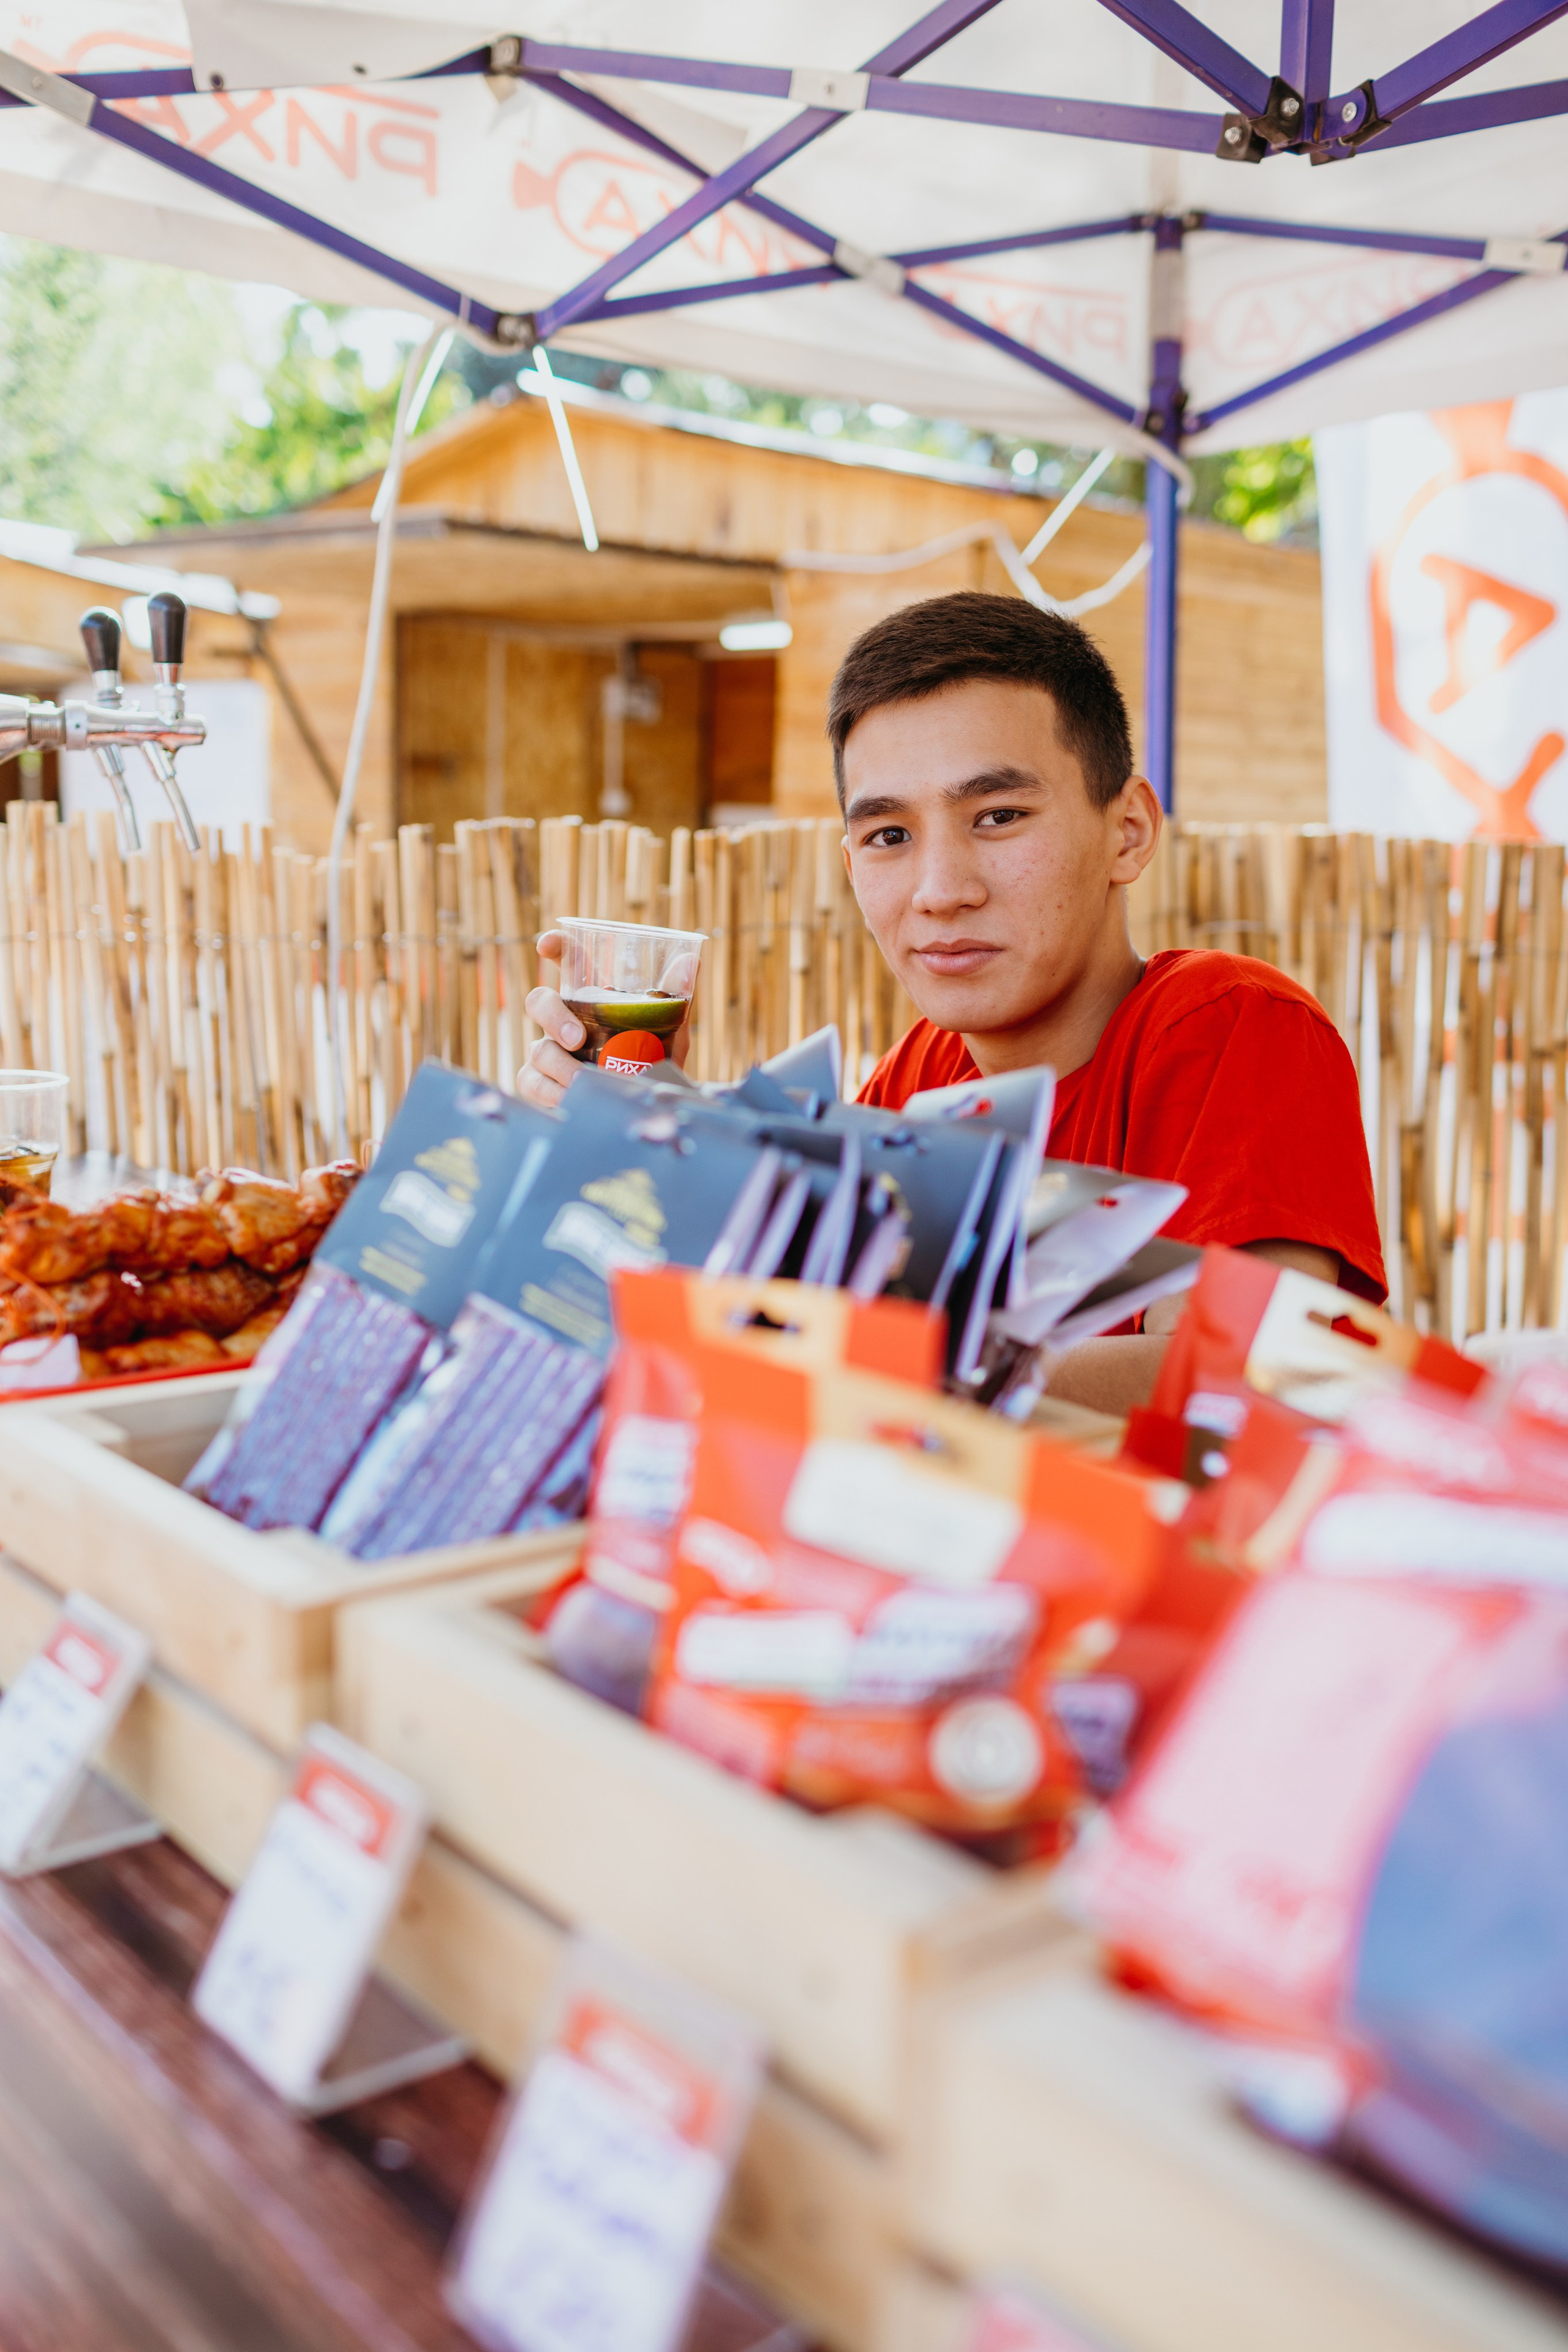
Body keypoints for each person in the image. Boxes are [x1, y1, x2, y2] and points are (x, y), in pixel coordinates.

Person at [521, 590, 1384, 1413]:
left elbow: (1244, 1379)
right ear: (851, 865)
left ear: (1127, 832)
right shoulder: (918, 1082)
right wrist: (650, 1140)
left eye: (999, 816)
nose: (940, 890)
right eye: (890, 835)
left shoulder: (1230, 1022)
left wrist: (874, 1359)